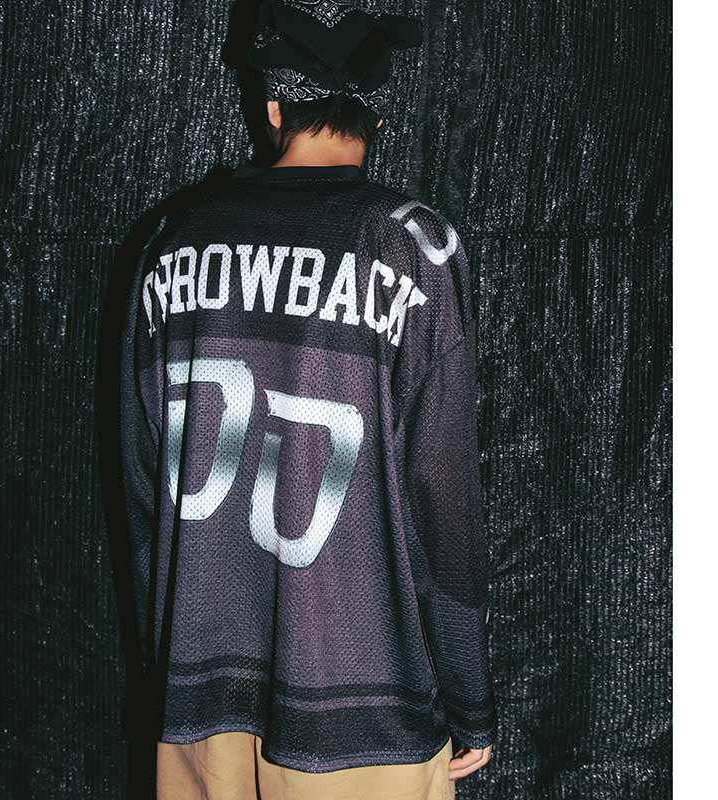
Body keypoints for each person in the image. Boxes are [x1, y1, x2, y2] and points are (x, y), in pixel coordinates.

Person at [119, 2, 497, 798]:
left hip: (198, 695)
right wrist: (468, 691)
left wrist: (165, 674)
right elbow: (443, 496)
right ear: (378, 116)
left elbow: (143, 486)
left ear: (272, 108)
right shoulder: (413, 247)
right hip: (365, 705)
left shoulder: (169, 242)